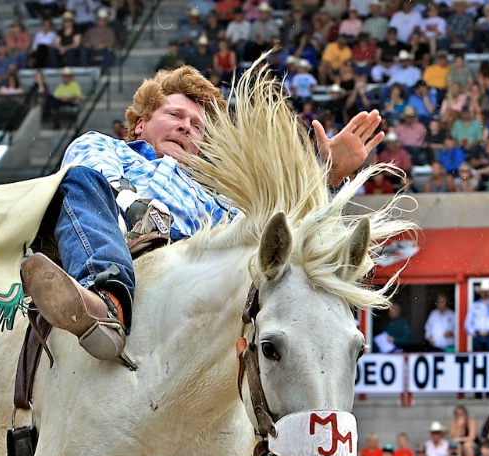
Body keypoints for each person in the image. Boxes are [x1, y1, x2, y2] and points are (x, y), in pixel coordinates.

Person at [20, 64, 388, 362]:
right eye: (175, 115)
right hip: (116, 242)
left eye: (197, 126)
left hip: (189, 271)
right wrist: (146, 219)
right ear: (141, 124)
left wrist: (324, 172)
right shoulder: (104, 147)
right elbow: (99, 185)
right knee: (78, 181)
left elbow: (273, 229)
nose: (186, 126)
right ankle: (107, 304)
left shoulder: (217, 197)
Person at [465, 279, 489, 352]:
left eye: (487, 291)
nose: (486, 293)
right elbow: (468, 321)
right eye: (484, 291)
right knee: (477, 358)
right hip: (478, 335)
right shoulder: (474, 305)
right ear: (480, 293)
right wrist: (472, 332)